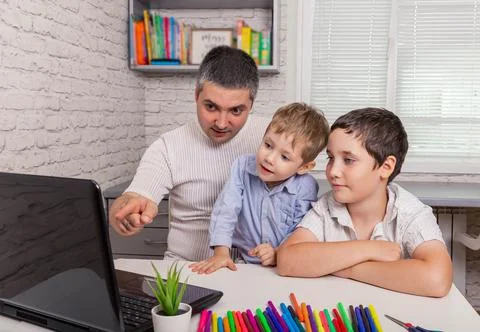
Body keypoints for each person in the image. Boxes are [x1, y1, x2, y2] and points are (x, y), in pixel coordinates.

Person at [109, 46, 270, 261]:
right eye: (211, 107)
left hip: (252, 270)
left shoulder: (271, 139)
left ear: (251, 104)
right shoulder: (169, 146)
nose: (221, 123)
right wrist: (126, 214)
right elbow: (137, 195)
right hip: (187, 269)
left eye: (235, 111)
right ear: (196, 95)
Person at [276, 107, 453, 297]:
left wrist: (349, 269)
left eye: (349, 160)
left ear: (386, 167)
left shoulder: (410, 212)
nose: (333, 171)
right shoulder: (327, 207)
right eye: (331, 158)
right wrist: (370, 249)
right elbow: (287, 260)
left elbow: (437, 279)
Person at [189, 103, 329, 274]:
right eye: (268, 145)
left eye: (284, 157)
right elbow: (226, 210)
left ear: (304, 167)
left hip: (283, 267)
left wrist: (278, 253)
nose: (269, 158)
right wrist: (221, 252)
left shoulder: (305, 187)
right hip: (242, 262)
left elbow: (301, 232)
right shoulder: (242, 167)